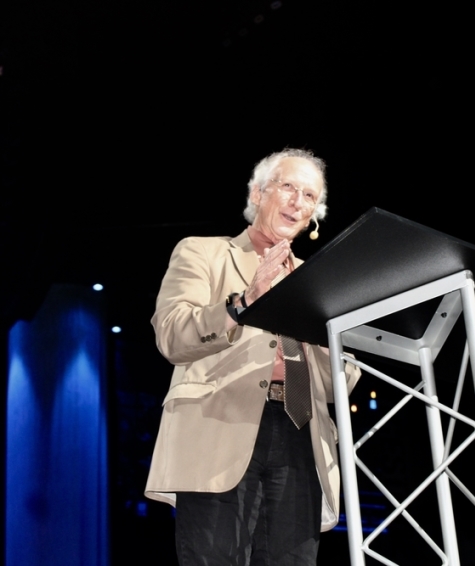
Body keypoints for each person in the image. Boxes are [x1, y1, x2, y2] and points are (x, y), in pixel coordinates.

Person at [144, 148, 361, 565]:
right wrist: (243, 302)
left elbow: (340, 385)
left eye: (310, 196)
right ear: (257, 194)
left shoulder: (322, 282)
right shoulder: (203, 253)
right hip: (219, 426)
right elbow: (172, 335)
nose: (298, 201)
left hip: (302, 432)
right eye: (288, 187)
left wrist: (327, 340)